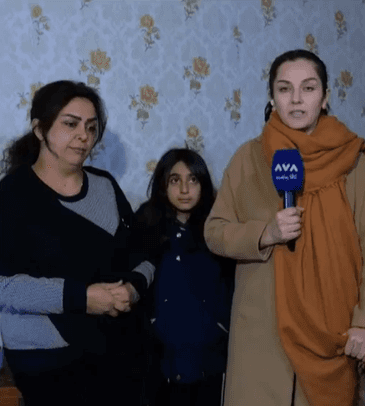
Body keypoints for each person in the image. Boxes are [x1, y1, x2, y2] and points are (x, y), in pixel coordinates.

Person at [204, 49, 365, 406]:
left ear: (325, 97)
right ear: (272, 97)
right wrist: (265, 234)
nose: (296, 99)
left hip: (331, 327)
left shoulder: (352, 162)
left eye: (308, 88)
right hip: (262, 329)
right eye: (285, 89)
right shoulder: (248, 157)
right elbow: (214, 231)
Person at [0, 80, 154, 406]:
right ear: (40, 129)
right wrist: (81, 298)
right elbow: (4, 288)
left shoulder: (106, 187)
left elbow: (144, 255)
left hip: (119, 353)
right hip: (46, 360)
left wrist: (133, 288)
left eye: (91, 127)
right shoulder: (11, 195)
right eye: (71, 124)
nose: (84, 136)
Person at [134, 148, 234, 406]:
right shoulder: (145, 226)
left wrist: (220, 326)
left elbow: (231, 286)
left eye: (193, 179)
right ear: (163, 184)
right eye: (175, 180)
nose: (185, 189)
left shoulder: (218, 229)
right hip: (159, 358)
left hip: (209, 357)